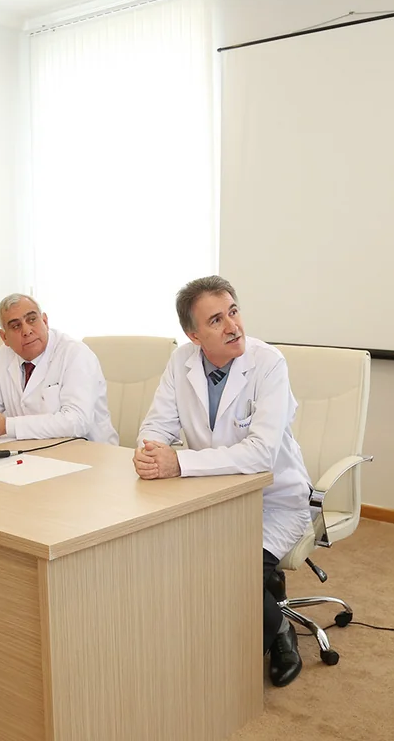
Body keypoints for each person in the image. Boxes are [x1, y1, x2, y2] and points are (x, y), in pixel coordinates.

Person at [134, 275, 312, 688]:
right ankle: (261, 608)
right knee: (171, 560)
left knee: (228, 575)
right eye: (216, 320)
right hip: (211, 498)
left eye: (233, 312)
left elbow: (261, 454)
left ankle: (280, 630)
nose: (233, 326)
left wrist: (178, 463)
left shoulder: (268, 363)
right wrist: (150, 451)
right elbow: (156, 425)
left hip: (272, 502)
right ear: (193, 335)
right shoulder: (181, 362)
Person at [0, 293, 117, 444]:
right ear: (4, 337)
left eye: (32, 319)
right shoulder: (2, 356)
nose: (27, 331)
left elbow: (77, 420)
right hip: (31, 449)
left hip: (88, 451)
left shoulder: (75, 353)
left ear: (45, 321)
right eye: (16, 326)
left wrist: (6, 426)